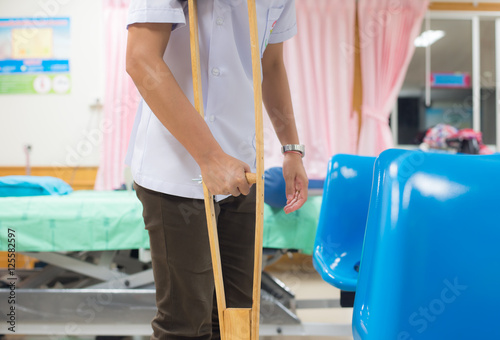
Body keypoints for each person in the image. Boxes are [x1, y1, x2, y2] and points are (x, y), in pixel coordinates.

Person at [125, 0, 308, 339]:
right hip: (177, 170)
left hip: (242, 168)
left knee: (238, 320)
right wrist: (209, 157)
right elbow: (140, 59)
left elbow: (272, 65)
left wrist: (291, 149)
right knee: (184, 326)